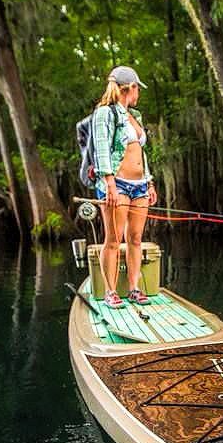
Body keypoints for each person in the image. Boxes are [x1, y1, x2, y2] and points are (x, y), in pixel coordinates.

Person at [92, 65, 157, 308]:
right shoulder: (104, 113)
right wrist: (109, 183)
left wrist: (149, 181)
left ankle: (134, 288)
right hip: (116, 184)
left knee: (136, 238)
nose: (139, 91)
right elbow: (101, 150)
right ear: (128, 88)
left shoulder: (135, 116)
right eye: (137, 87)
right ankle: (110, 291)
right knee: (113, 239)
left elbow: (141, 152)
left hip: (139, 185)